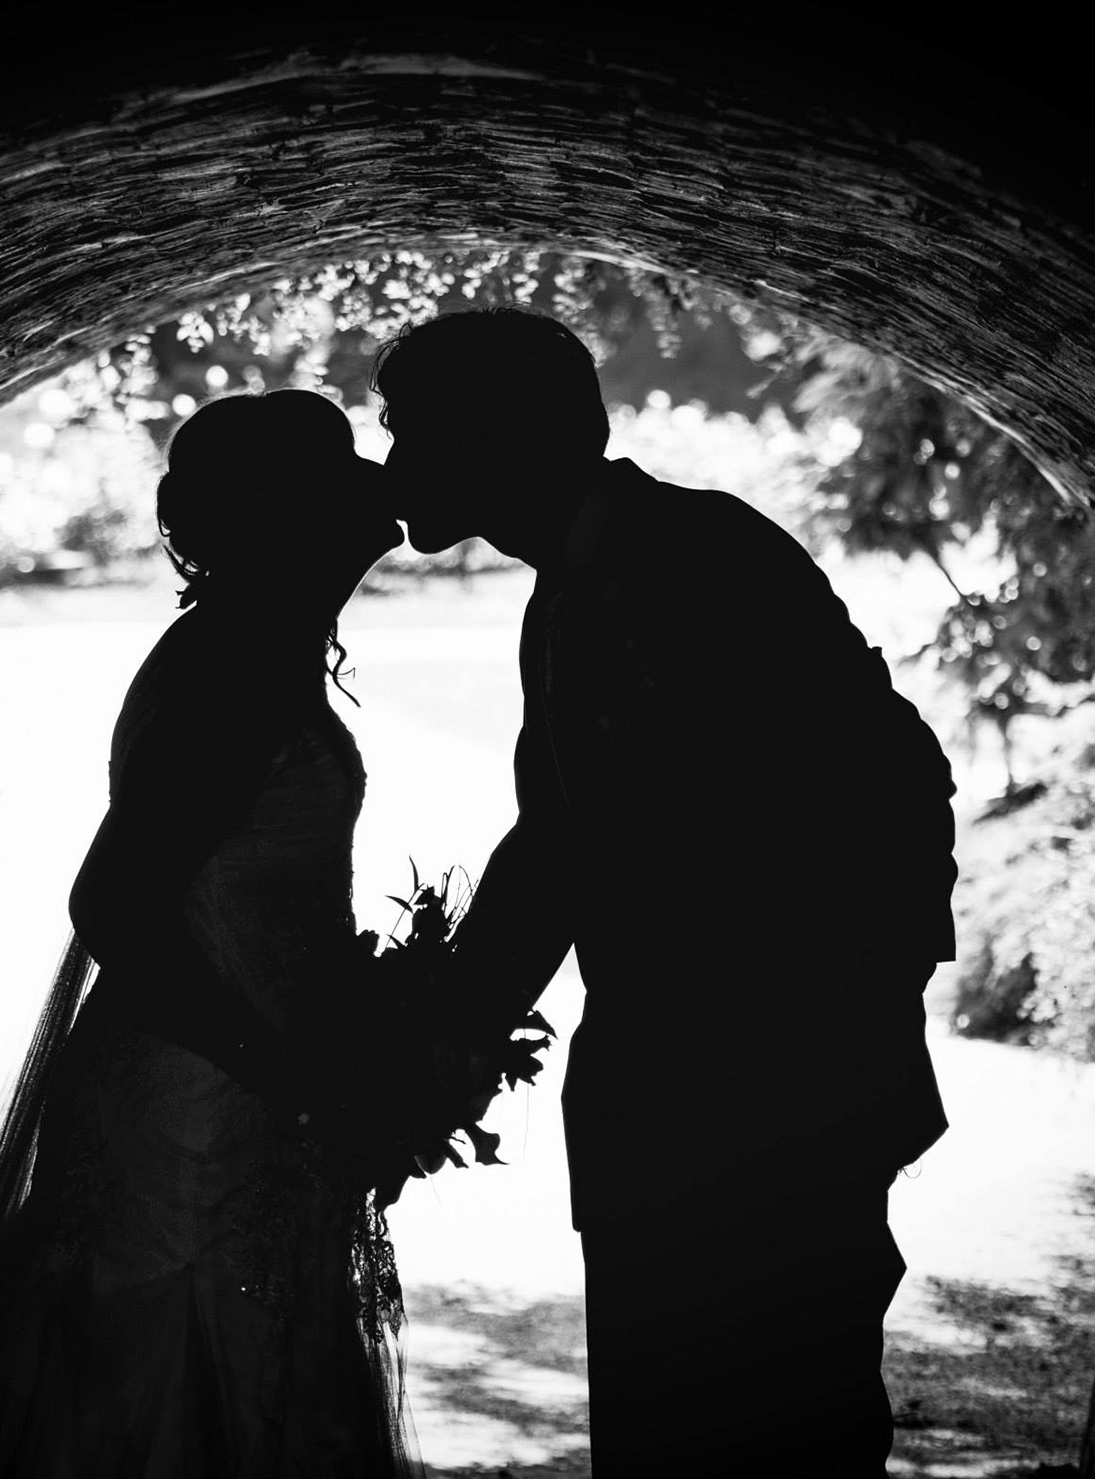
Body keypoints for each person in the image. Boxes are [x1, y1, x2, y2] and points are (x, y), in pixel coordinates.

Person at [374, 308, 957, 1477]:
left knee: (774, 1435)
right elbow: (559, 841)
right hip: (674, 1111)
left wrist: (842, 1018)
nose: (390, 467)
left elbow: (896, 781)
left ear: (488, 442)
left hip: (772, 1115)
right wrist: (448, 1031)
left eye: (408, 433)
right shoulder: (564, 592)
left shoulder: (704, 557)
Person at [0, 388, 426, 1478]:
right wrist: (288, 1072)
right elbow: (114, 906)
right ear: (293, 517)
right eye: (343, 470)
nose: (378, 486)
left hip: (237, 1089)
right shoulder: (236, 670)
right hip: (199, 1109)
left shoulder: (259, 646)